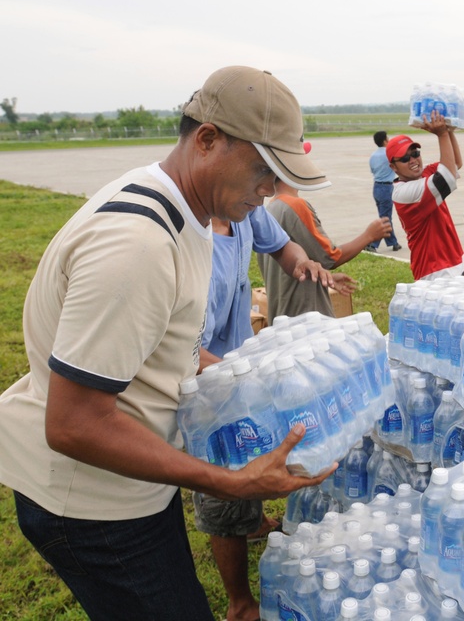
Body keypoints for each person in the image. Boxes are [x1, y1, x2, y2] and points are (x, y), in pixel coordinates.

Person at [0, 66, 334, 620]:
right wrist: (228, 481)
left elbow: (164, 347)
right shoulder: (140, 246)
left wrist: (248, 386)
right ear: (207, 140)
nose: (271, 192)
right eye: (262, 171)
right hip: (91, 506)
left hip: (130, 485)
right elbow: (74, 423)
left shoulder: (189, 210)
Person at [198, 204, 346, 621]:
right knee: (222, 484)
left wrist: (302, 263)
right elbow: (177, 352)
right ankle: (240, 602)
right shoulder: (187, 239)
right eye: (261, 174)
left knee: (259, 454)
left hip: (243, 366)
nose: (266, 190)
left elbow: (284, 247)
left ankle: (254, 517)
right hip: (208, 382)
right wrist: (240, 373)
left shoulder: (245, 209)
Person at [259, 177, 390, 322]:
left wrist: (327, 278)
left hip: (282, 318)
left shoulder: (271, 208)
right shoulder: (296, 206)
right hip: (306, 319)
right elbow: (330, 257)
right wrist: (368, 236)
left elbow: (292, 268)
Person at [390, 111, 464, 280]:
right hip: (434, 271)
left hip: (454, 261)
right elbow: (447, 178)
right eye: (405, 158)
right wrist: (442, 134)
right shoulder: (402, 193)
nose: (413, 160)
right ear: (393, 167)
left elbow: (455, 164)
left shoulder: (426, 174)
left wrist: (449, 128)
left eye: (415, 154)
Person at [368, 131, 402, 251]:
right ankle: (372, 244)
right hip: (387, 188)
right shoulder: (388, 154)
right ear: (384, 141)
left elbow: (372, 171)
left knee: (384, 216)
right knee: (385, 219)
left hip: (376, 187)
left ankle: (394, 243)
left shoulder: (373, 156)